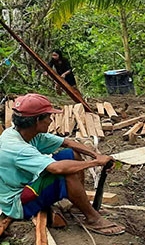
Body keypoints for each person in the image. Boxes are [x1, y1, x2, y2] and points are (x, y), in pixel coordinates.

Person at [0, 93, 124, 235]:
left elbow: (68, 142)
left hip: (28, 183)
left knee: (71, 154)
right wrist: (95, 163)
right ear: (37, 121)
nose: (51, 120)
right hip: (18, 202)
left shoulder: (25, 133)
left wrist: (97, 155)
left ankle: (78, 205)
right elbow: (56, 168)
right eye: (48, 116)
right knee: (65, 174)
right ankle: (93, 219)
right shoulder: (17, 147)